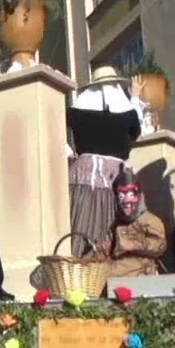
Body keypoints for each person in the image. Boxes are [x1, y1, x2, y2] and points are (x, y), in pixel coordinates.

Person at [66, 66, 143, 256]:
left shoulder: (76, 111)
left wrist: (68, 152)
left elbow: (58, 127)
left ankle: (80, 265)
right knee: (114, 223)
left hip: (83, 174)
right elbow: (136, 132)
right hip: (116, 176)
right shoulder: (127, 113)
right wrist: (134, 97)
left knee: (81, 222)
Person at [104, 168, 167, 279]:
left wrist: (133, 245)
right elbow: (111, 245)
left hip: (139, 272)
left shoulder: (149, 220)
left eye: (130, 194)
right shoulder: (118, 222)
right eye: (121, 196)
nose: (126, 201)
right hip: (116, 268)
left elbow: (160, 245)